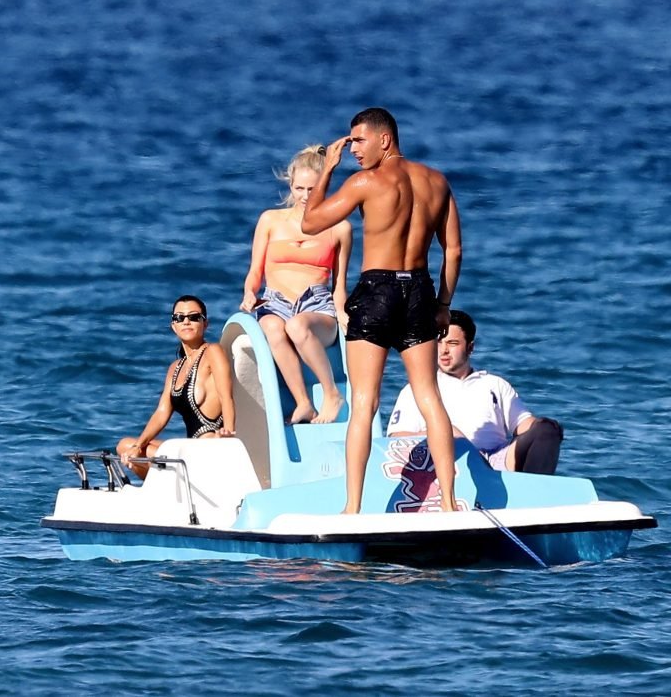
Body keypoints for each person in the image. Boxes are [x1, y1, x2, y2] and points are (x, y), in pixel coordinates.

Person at [301, 107, 464, 513]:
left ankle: (352, 507)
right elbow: (454, 250)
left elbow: (310, 223)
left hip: (377, 291)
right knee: (429, 396)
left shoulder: (365, 182)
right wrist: (444, 304)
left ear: (384, 139)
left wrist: (327, 170)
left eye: (359, 141)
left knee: (364, 402)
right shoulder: (437, 181)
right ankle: (448, 502)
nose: (353, 150)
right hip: (420, 290)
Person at [240, 145, 353, 425]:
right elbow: (255, 271)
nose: (304, 196)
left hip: (316, 306)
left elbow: (339, 284)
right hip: (275, 302)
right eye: (299, 188)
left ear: (324, 186)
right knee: (272, 327)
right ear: (290, 184)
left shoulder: (340, 228)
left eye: (312, 189)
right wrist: (250, 293)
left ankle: (332, 394)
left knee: (297, 326)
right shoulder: (270, 220)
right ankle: (303, 402)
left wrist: (341, 312)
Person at [387, 310, 564, 475]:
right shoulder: (420, 387)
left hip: (498, 460)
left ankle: (534, 491)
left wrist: (548, 429)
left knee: (548, 429)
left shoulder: (495, 384)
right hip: (448, 462)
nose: (444, 350)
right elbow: (396, 437)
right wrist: (437, 432)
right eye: (439, 342)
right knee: (446, 429)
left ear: (470, 347)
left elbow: (525, 425)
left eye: (452, 343)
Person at [116, 295, 236, 479]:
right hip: (190, 450)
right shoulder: (175, 368)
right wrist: (138, 446)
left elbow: (226, 397)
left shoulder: (213, 352)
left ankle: (170, 487)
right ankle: (164, 489)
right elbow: (161, 413)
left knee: (130, 448)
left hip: (209, 448)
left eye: (194, 317)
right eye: (180, 318)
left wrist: (228, 436)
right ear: (173, 326)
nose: (186, 322)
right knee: (126, 447)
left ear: (205, 324)